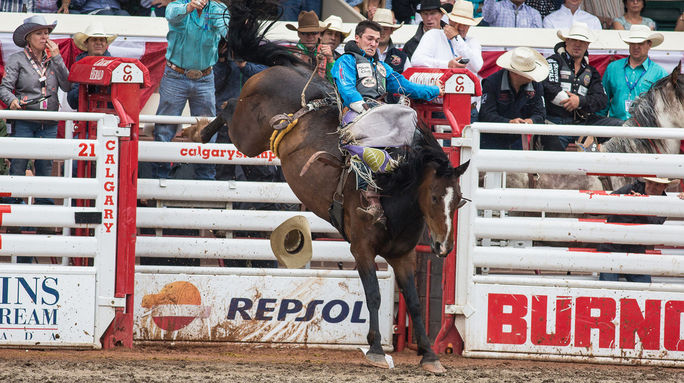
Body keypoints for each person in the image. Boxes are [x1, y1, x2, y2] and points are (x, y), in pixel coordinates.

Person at [331, 20, 444, 224]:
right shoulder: (346, 61)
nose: (373, 43)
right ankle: (370, 199)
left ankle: (435, 183)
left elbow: (406, 86)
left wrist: (435, 90)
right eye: (369, 39)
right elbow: (346, 87)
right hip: (357, 112)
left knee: (412, 124)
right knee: (358, 143)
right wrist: (361, 105)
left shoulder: (382, 67)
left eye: (376, 40)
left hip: (381, 112)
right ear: (357, 38)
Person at [0, 16, 71, 244]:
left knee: (45, 166)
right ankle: (14, 214)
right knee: (19, 165)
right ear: (28, 38)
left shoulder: (54, 60)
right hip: (25, 118)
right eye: (40, 33)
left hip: (48, 121)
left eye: (47, 33)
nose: (45, 37)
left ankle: (42, 216)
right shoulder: (17, 59)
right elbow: (5, 89)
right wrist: (11, 101)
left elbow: (68, 85)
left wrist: (59, 58)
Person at [152, 0, 228, 181]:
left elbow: (226, 30)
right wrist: (190, 7)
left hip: (202, 76)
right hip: (178, 75)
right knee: (165, 129)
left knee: (208, 129)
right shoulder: (177, 5)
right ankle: (159, 179)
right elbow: (172, 14)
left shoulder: (219, 9)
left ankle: (206, 179)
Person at [541, 22, 622, 151]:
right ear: (566, 41)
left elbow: (601, 99)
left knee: (619, 126)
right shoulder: (553, 62)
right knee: (553, 160)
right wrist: (570, 101)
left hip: (583, 122)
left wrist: (579, 101)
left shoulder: (591, 71)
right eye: (574, 40)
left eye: (582, 41)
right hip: (555, 122)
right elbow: (548, 87)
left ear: (587, 44)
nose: (577, 44)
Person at [598, 177, 679, 283]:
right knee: (608, 286)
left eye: (657, 184)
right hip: (612, 247)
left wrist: (640, 206)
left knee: (644, 287)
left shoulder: (664, 204)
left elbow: (654, 224)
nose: (652, 187)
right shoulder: (629, 189)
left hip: (635, 250)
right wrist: (628, 202)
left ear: (665, 187)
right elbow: (603, 204)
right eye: (650, 182)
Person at [478, 47, 548, 150]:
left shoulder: (536, 85)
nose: (531, 77)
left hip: (518, 139)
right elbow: (486, 115)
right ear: (515, 73)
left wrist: (531, 121)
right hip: (492, 139)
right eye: (528, 73)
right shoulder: (492, 82)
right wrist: (509, 123)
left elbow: (540, 114)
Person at [601, 25, 667, 121]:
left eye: (640, 43)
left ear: (649, 44)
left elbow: (664, 107)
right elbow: (603, 101)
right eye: (632, 43)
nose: (636, 46)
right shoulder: (613, 68)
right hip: (615, 128)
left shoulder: (660, 73)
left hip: (644, 129)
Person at [412, 0, 483, 75]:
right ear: (450, 21)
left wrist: (456, 38)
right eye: (458, 23)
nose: (462, 28)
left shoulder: (472, 41)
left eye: (465, 24)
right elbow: (416, 60)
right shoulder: (433, 35)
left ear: (469, 26)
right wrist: (447, 65)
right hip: (439, 84)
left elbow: (477, 66)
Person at [67, 22, 118, 110]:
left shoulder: (116, 66)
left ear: (106, 44)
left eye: (102, 40)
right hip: (85, 119)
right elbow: (72, 102)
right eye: (94, 39)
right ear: (86, 43)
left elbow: (119, 100)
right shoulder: (78, 66)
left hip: (107, 118)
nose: (98, 43)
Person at [285, 10, 332, 80]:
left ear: (319, 34)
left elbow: (335, 80)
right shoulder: (289, 54)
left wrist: (330, 60)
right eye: (305, 33)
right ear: (299, 34)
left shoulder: (327, 53)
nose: (310, 37)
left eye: (314, 32)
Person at [372, 9, 411, 73]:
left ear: (392, 30)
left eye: (385, 29)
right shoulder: (362, 54)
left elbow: (407, 80)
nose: (382, 32)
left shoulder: (403, 57)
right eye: (378, 28)